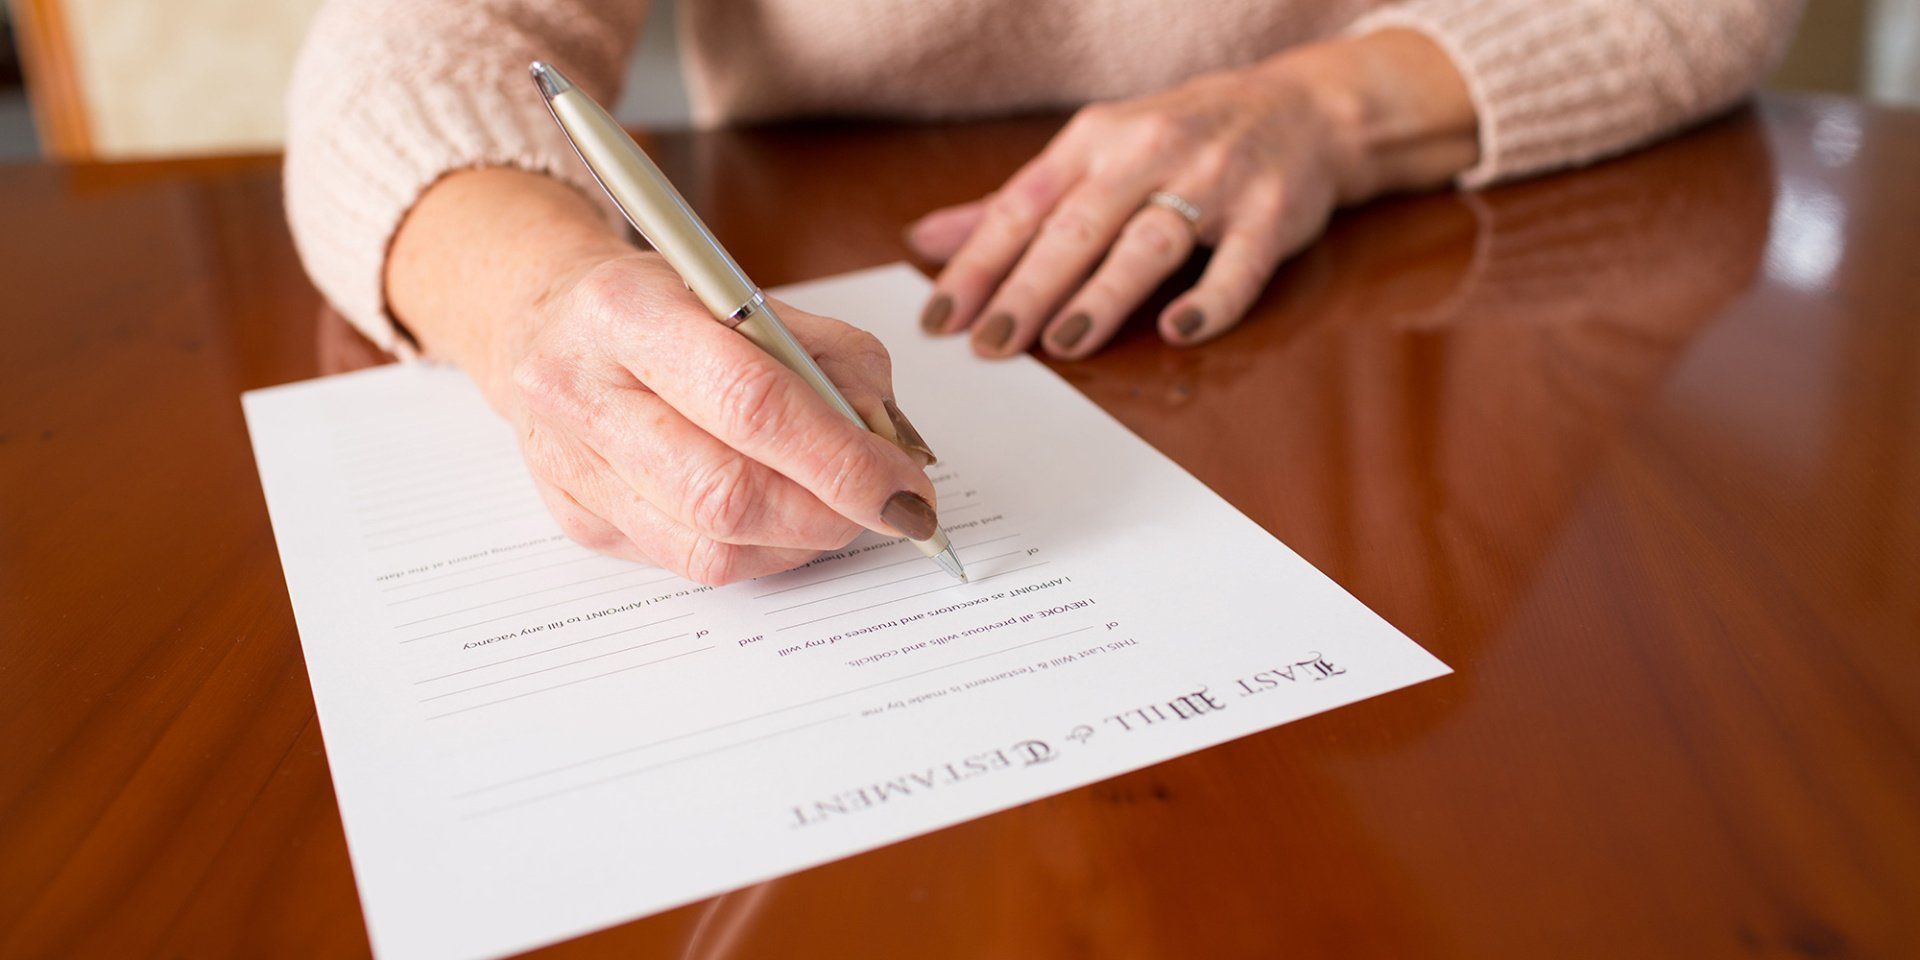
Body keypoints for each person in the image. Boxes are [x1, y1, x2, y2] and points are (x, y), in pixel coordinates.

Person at [284, 0, 1803, 585]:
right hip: (809, 229)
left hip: (1362, 295)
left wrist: (1333, 106)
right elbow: (402, 55)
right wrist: (541, 300)